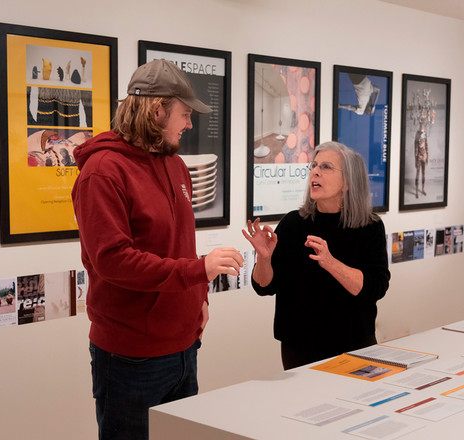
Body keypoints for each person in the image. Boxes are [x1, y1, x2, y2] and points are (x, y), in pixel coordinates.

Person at [71, 59, 244, 440]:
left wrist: (199, 299)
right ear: (156, 110)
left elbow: (179, 244)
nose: (189, 124)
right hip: (131, 359)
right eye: (184, 114)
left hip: (185, 347)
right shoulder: (103, 171)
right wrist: (199, 272)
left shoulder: (176, 166)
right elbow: (112, 260)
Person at [242, 141, 390, 370]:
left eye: (326, 167)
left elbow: (375, 288)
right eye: (314, 165)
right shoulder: (293, 224)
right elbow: (263, 286)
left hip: (354, 344)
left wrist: (330, 263)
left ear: (348, 182)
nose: (315, 171)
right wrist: (264, 258)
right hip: (299, 347)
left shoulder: (369, 227)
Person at [414, 124, 428, 198]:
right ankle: (416, 191)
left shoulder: (424, 134)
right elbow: (416, 146)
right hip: (419, 156)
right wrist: (416, 159)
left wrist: (427, 156)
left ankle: (422, 189)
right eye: (421, 126)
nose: (423, 127)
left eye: (423, 126)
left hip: (424, 156)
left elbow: (426, 144)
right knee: (418, 174)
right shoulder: (417, 134)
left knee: (423, 173)